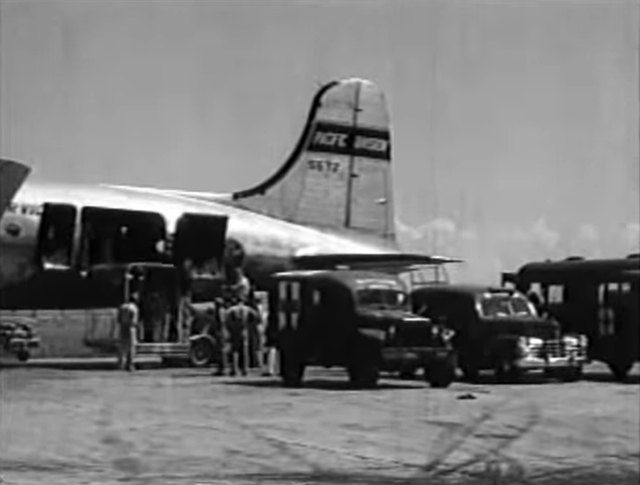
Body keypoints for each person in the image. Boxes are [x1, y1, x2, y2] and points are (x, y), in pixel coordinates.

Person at [117, 293, 140, 371]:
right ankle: (130, 364)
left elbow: (119, 319)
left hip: (123, 327)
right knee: (131, 346)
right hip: (131, 328)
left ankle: (120, 363)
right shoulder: (134, 308)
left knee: (122, 345)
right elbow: (134, 320)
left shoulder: (122, 307)